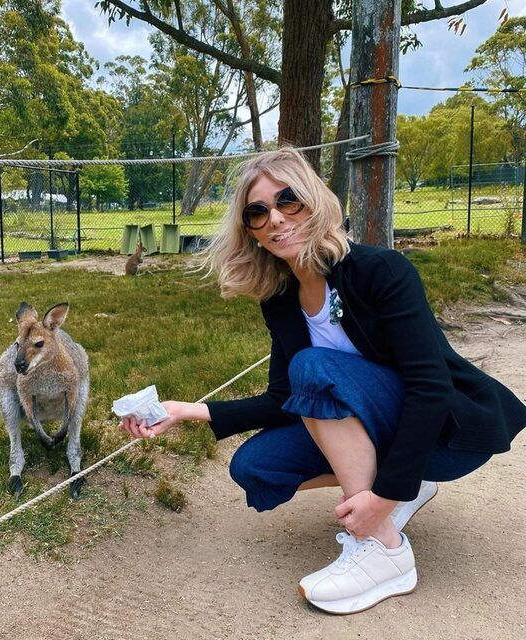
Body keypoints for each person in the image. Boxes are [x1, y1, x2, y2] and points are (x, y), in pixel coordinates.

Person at [118, 147, 526, 615]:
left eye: (288, 200)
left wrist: (388, 492)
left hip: (446, 434)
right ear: (249, 231)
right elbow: (284, 398)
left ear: (314, 202)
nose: (275, 218)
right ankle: (399, 491)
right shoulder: (281, 300)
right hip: (386, 432)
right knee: (254, 467)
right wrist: (186, 410)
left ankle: (384, 548)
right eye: (257, 212)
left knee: (312, 366)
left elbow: (430, 387)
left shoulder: (380, 271)